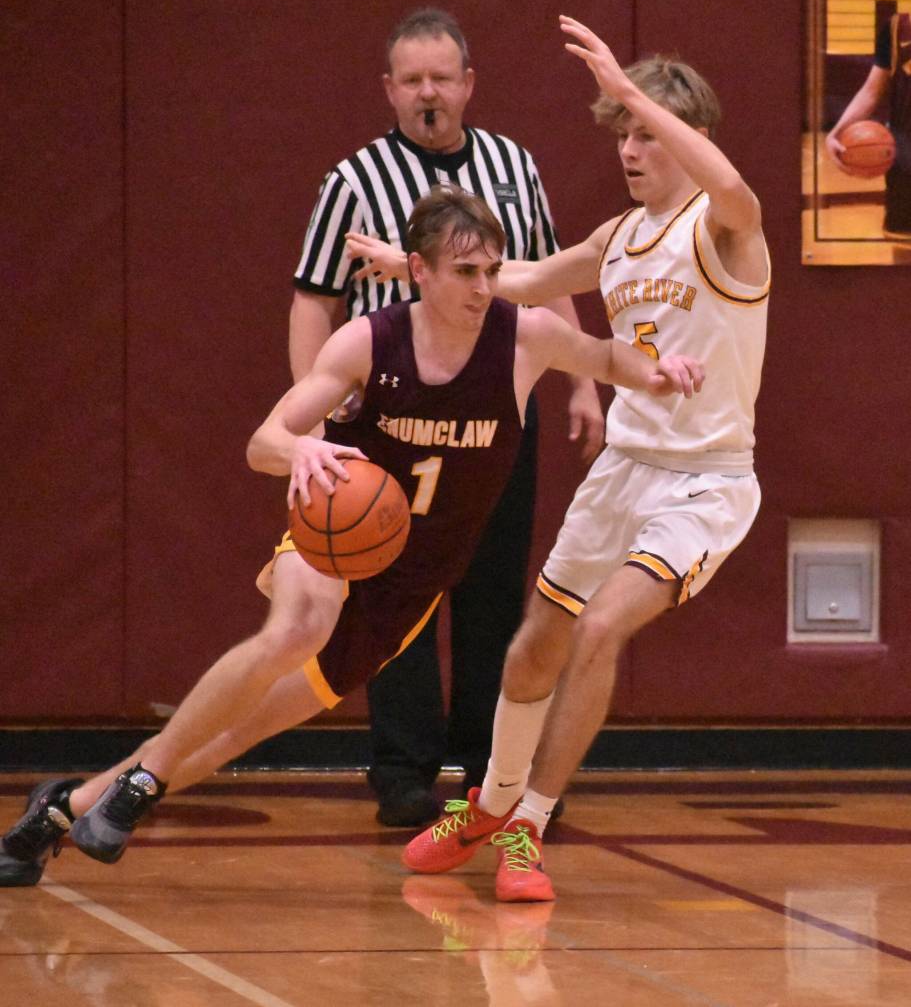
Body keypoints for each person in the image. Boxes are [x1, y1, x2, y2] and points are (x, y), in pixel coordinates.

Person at [0, 185, 702, 886]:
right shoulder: (368, 341)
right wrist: (299, 450)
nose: (483, 287)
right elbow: (263, 441)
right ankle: (145, 780)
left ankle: (63, 808)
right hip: (335, 534)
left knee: (246, 726)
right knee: (298, 627)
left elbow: (607, 359)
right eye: (465, 272)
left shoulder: (522, 338)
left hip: (411, 580)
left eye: (491, 270)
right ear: (418, 270)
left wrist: (655, 372)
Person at [368, 16, 769, 902]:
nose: (627, 147)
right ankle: (487, 802)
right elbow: (517, 280)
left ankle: (527, 826)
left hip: (702, 482)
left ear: (682, 138)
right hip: (623, 467)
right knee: (531, 647)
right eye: (620, 132)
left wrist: (636, 91)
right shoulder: (617, 239)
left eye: (641, 132)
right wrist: (409, 264)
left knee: (598, 628)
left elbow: (734, 184)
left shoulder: (727, 229)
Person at [291, 6, 603, 828]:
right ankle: (400, 770)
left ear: (468, 84)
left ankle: (488, 770)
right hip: (391, 415)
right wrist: (317, 416)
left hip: (494, 415)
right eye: (412, 80)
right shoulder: (352, 180)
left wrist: (580, 383)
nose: (428, 93)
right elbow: (313, 300)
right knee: (391, 584)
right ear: (389, 89)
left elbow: (544, 275)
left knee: (494, 593)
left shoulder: (512, 165)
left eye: (442, 78)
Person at [825, 11, 911, 239]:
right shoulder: (895, 29)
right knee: (901, 249)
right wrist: (836, 133)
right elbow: (871, 92)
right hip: (906, 169)